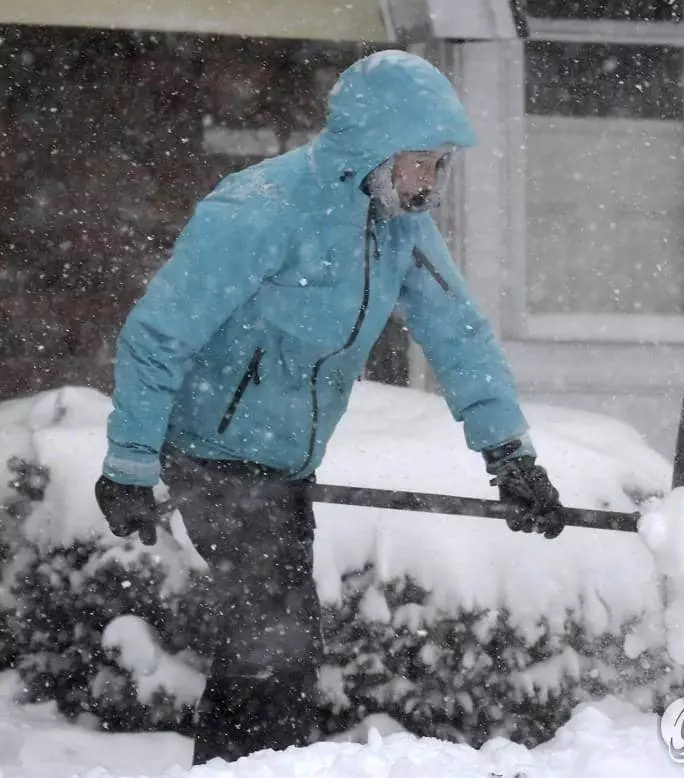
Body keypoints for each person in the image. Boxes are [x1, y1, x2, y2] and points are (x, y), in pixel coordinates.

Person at [92, 49, 567, 766]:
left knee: (273, 650)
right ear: (374, 150)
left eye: (442, 166)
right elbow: (158, 334)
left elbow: (458, 335)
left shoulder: (398, 225)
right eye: (423, 163)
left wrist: (512, 457)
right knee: (274, 643)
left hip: (281, 466)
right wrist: (129, 461)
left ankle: (239, 768)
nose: (432, 184)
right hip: (208, 451)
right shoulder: (260, 210)